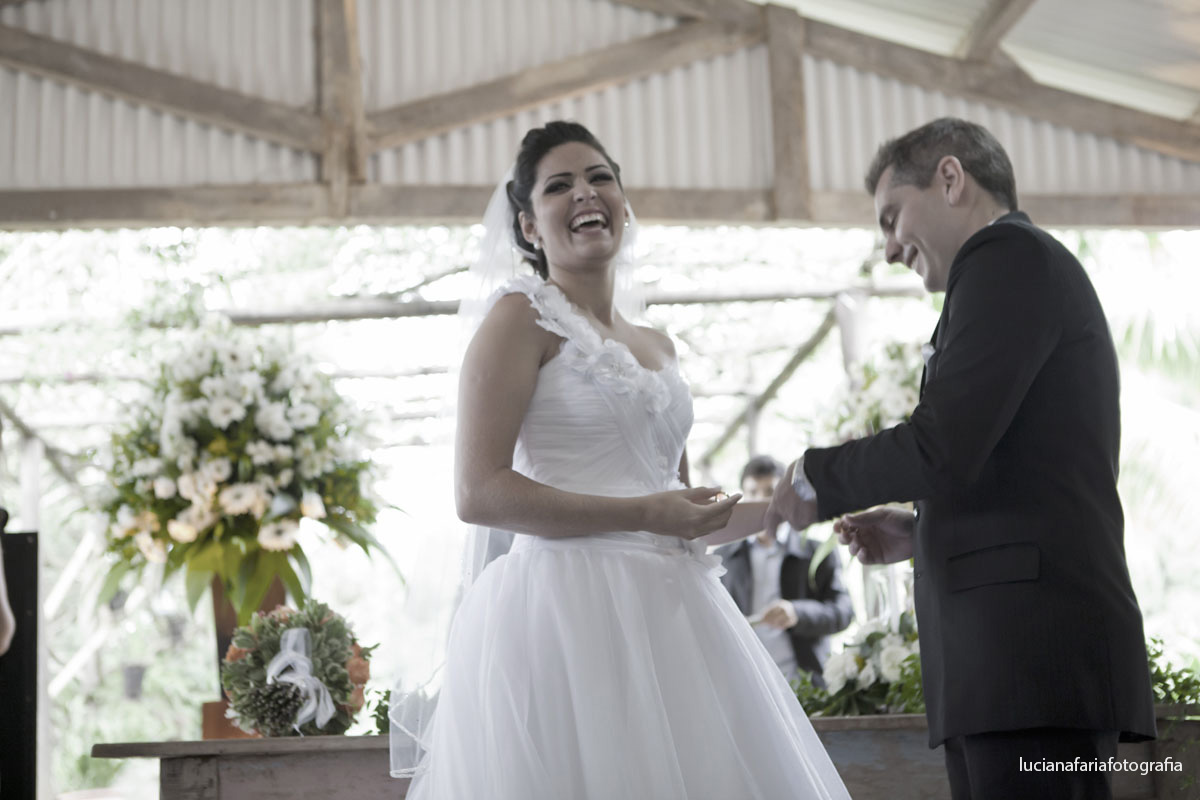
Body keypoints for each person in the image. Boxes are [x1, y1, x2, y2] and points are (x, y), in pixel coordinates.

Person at [396, 121, 850, 799]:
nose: (586, 193)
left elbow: (687, 516)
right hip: (565, 614)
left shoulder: (660, 345)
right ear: (527, 225)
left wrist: (804, 504)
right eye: (560, 185)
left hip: (676, 618)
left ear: (624, 204)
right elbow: (479, 492)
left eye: (600, 177)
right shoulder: (519, 319)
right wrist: (644, 512)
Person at [767, 117, 1156, 799]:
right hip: (1007, 669)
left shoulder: (1008, 259)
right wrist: (923, 532)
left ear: (950, 179)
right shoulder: (1007, 273)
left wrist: (814, 477)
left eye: (892, 218)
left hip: (1030, 664)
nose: (888, 249)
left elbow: (943, 442)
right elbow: (1020, 465)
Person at [715, 456, 852, 687]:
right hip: (747, 683)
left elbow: (843, 611)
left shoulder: (816, 552)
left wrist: (797, 612)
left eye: (769, 492)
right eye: (753, 493)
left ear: (784, 497)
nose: (761, 500)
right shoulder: (722, 558)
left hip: (806, 684)